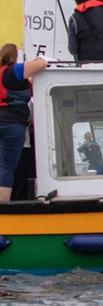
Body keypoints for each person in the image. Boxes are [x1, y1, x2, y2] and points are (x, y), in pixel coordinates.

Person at [0, 44, 47, 202]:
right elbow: (41, 64)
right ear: (15, 58)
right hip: (13, 125)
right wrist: (38, 59)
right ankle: (3, 208)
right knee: (7, 168)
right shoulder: (14, 71)